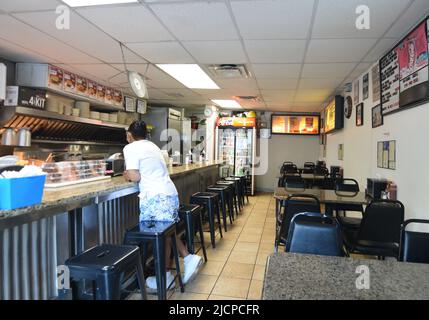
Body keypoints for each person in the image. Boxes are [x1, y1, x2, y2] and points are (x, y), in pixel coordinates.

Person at [123, 120, 202, 291]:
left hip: (155, 196)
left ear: (129, 135)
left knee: (162, 235)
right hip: (169, 194)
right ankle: (166, 275)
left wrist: (127, 175)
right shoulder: (153, 147)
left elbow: (135, 176)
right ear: (146, 134)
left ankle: (187, 258)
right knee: (165, 233)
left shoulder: (130, 148)